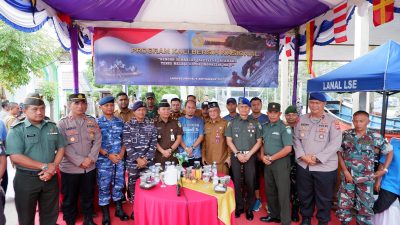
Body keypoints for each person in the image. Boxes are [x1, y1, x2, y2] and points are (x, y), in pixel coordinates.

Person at [6, 93, 66, 225]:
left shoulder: (52, 127)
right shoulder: (17, 129)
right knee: (26, 218)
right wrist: (45, 166)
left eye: (42, 108)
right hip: (26, 179)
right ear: (25, 110)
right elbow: (15, 157)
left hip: (50, 178)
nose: (39, 112)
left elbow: (61, 147)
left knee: (50, 216)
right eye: (34, 109)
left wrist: (53, 167)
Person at [293, 92, 342, 225]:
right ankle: (306, 218)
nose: (314, 106)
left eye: (317, 103)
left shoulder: (333, 122)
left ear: (324, 104)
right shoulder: (301, 119)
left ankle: (323, 220)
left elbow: (335, 143)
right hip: (304, 165)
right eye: (312, 102)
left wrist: (317, 158)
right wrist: (303, 156)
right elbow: (296, 139)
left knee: (324, 198)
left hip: (325, 167)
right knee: (304, 195)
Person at [336, 110, 393, 225]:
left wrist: (384, 170)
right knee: (344, 206)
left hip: (366, 179)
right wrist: (345, 171)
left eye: (361, 121)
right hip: (348, 178)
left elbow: (389, 152)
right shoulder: (346, 135)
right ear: (352, 121)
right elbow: (339, 153)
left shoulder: (375, 137)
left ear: (368, 121)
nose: (358, 124)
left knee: (365, 208)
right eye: (355, 121)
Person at [58, 93, 102, 225]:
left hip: (89, 167)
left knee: (88, 195)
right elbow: (62, 145)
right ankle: (70, 220)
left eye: (83, 103)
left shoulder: (91, 121)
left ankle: (88, 219)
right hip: (70, 169)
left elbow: (98, 140)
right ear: (69, 104)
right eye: (76, 103)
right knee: (69, 197)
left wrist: (90, 158)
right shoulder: (62, 123)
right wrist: (80, 161)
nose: (80, 106)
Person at [225, 97, 262, 221]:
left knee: (250, 182)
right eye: (241, 107)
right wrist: (237, 153)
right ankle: (239, 207)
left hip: (250, 156)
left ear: (249, 108)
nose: (244, 109)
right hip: (236, 156)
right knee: (236, 182)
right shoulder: (232, 122)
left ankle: (249, 208)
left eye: (246, 107)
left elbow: (259, 141)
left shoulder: (256, 122)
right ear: (238, 108)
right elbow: (228, 140)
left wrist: (249, 154)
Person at [96, 96, 129, 225]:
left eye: (111, 105)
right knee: (104, 187)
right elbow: (94, 143)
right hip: (104, 161)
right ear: (101, 107)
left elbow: (125, 140)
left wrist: (121, 153)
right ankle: (105, 214)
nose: (109, 108)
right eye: (106, 106)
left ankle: (119, 209)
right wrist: (108, 155)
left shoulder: (120, 122)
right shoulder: (96, 123)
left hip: (119, 160)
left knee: (119, 185)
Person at [123, 101, 157, 220]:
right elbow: (127, 144)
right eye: (139, 110)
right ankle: (135, 209)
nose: (141, 112)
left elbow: (153, 144)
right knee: (133, 186)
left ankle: (146, 210)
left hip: (148, 162)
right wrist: (138, 159)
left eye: (143, 109)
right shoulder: (128, 125)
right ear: (134, 112)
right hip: (133, 162)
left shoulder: (151, 125)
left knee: (148, 184)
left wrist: (146, 159)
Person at [259, 103, 292, 225]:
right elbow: (262, 143)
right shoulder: (265, 126)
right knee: (270, 191)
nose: (272, 115)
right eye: (270, 112)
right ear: (267, 113)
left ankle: (285, 221)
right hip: (267, 162)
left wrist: (271, 158)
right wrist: (262, 156)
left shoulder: (285, 127)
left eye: (275, 112)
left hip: (280, 163)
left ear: (279, 114)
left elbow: (288, 148)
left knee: (283, 193)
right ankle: (274, 215)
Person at [249, 97, 269, 212]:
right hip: (252, 154)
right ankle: (257, 199)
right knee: (254, 178)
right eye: (254, 105)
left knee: (268, 178)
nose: (256, 106)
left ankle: (270, 202)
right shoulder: (248, 118)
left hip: (267, 154)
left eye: (258, 104)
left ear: (261, 105)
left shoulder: (267, 118)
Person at [373, 138, 400, 218]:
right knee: (379, 207)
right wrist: (378, 181)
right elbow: (382, 164)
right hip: (390, 184)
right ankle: (364, 219)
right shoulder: (393, 145)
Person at [202, 102, 230, 175]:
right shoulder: (206, 125)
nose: (212, 113)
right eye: (210, 111)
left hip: (222, 162)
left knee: (223, 184)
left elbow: (230, 143)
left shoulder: (226, 124)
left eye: (215, 111)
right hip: (208, 161)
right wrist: (203, 156)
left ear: (219, 111)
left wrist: (229, 157)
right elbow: (204, 142)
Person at [284, 105, 300, 222]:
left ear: (297, 115)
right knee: (284, 187)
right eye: (288, 115)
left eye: (293, 114)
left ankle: (295, 211)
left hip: (299, 162)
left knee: (297, 188)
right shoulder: (283, 127)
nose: (290, 117)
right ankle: (284, 210)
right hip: (285, 161)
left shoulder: (302, 127)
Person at [154, 101, 183, 167]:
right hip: (159, 157)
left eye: (168, 109)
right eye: (163, 109)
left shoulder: (176, 122)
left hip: (173, 156)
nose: (166, 111)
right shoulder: (154, 123)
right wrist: (163, 151)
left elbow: (179, 138)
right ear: (158, 111)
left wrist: (170, 150)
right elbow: (153, 140)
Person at [178, 100, 204, 167]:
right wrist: (186, 149)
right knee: (183, 176)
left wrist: (191, 148)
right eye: (189, 107)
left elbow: (201, 136)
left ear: (195, 109)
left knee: (196, 175)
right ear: (185, 108)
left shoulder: (200, 120)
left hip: (196, 154)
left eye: (193, 108)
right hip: (183, 155)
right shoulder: (179, 120)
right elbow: (179, 137)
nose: (190, 110)